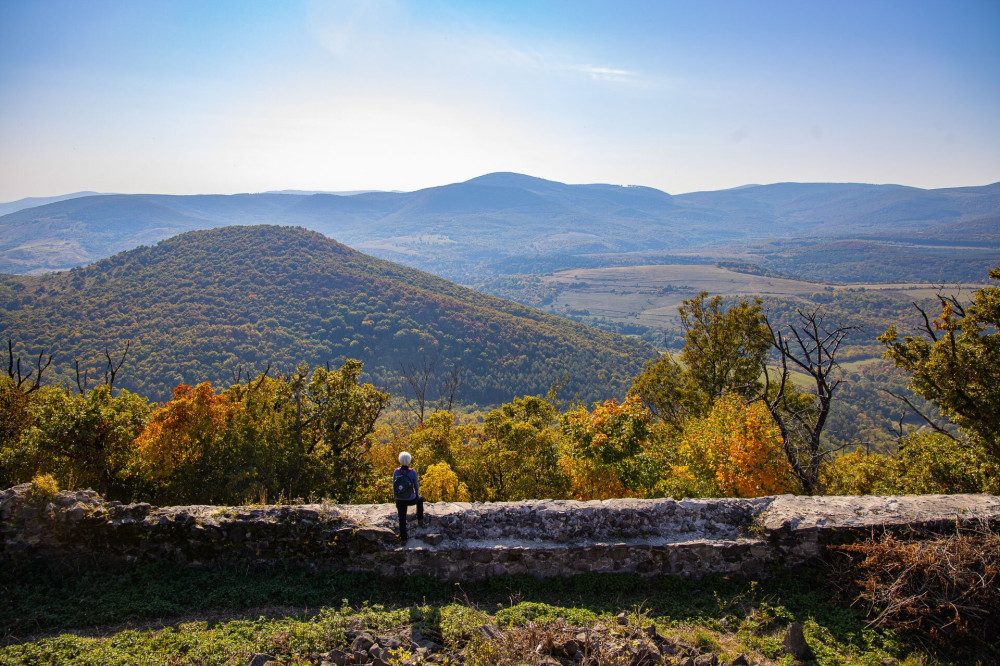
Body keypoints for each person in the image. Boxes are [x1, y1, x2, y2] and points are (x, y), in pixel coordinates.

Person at [393, 451, 424, 541]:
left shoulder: (396, 471)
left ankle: (403, 538)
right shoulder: (412, 472)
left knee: (402, 518)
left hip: (399, 499)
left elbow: (394, 485)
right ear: (409, 460)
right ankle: (420, 518)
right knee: (420, 499)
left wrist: (397, 496)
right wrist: (417, 494)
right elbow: (416, 485)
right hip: (410, 499)